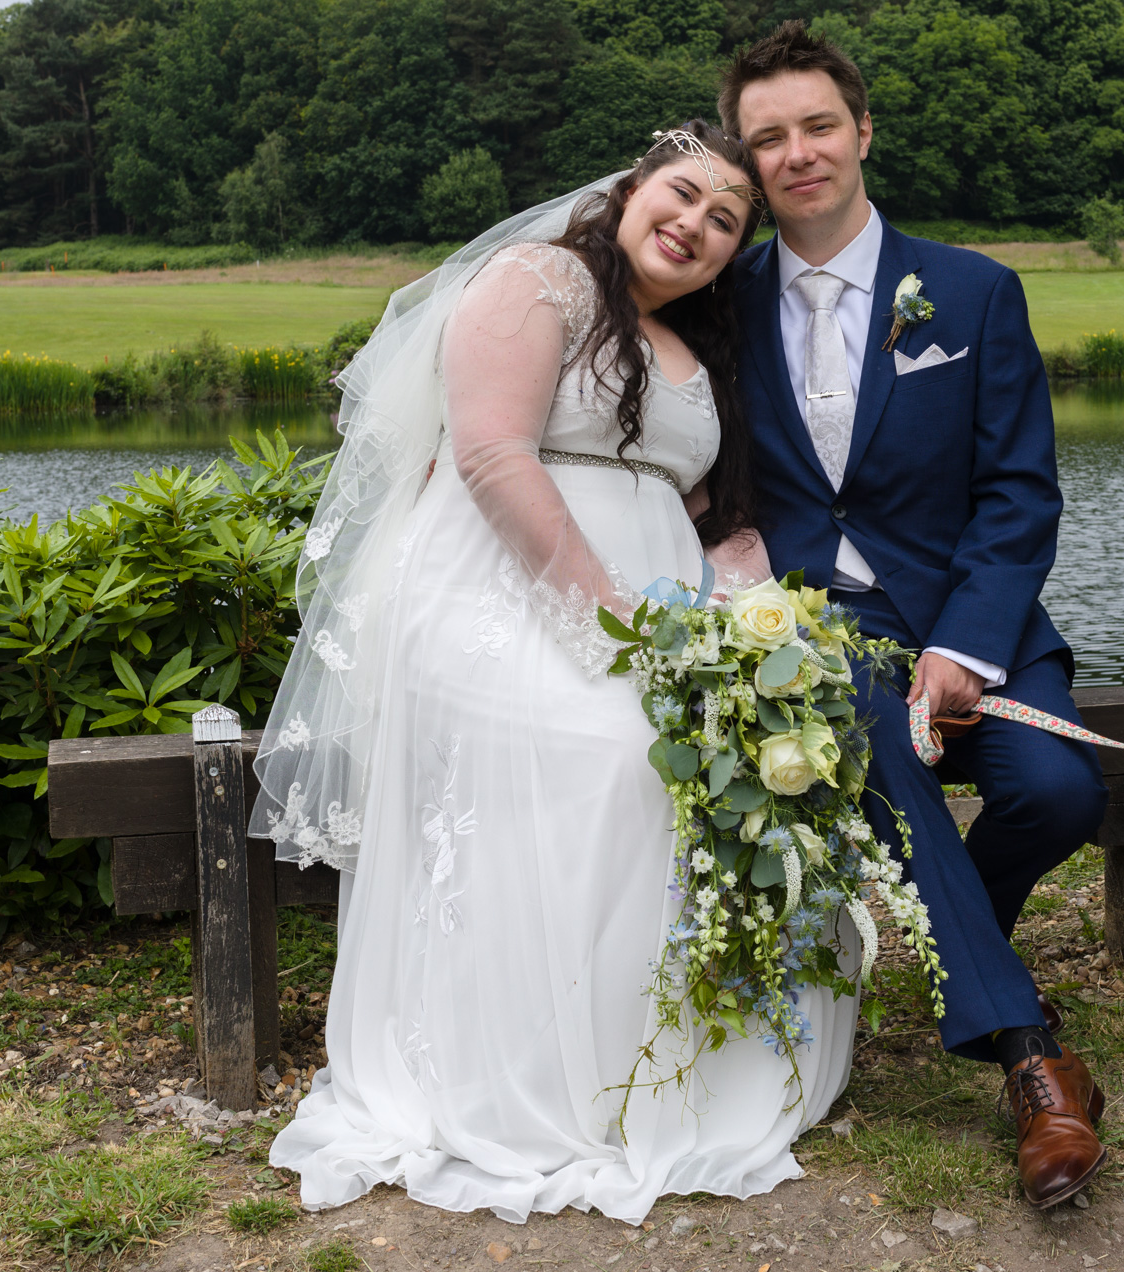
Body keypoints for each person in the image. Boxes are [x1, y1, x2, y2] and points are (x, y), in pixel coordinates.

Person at [249, 122, 858, 1224]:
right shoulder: (538, 280)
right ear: (632, 191)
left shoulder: (684, 343)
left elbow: (707, 512)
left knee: (724, 759)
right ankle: (538, 1070)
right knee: (616, 750)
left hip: (655, 606)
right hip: (501, 592)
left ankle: (673, 1053)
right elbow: (489, 454)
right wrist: (617, 625)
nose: (697, 226)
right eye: (683, 196)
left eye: (726, 222)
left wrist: (765, 624)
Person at [721, 23, 1114, 1209]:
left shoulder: (975, 291)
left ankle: (952, 941)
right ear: (750, 163)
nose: (799, 153)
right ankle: (1029, 1058)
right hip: (807, 636)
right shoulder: (720, 300)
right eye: (769, 138)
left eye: (818, 125)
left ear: (863, 129)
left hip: (968, 619)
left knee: (1061, 792)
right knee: (881, 739)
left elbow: (1019, 489)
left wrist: (963, 645)